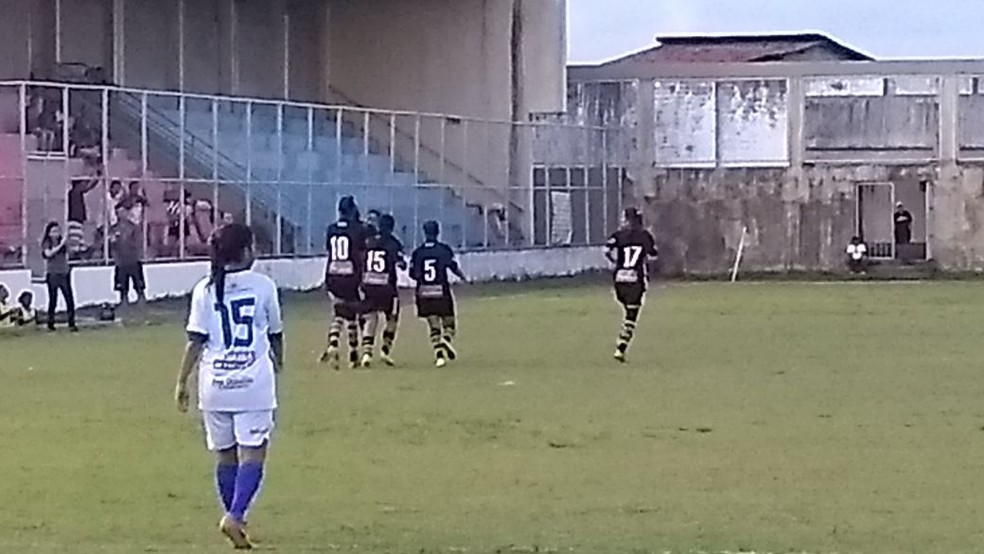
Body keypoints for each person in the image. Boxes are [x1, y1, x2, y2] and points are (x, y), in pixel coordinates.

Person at [174, 223, 284, 550]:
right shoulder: (263, 285)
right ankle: (235, 516)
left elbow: (195, 340)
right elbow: (275, 333)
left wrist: (181, 381)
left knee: (225, 456)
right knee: (253, 453)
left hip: (214, 384)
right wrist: (279, 361)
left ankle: (237, 518)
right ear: (246, 251)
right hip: (253, 382)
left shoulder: (204, 289)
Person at [320, 196, 372, 369]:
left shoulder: (331, 229)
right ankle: (353, 353)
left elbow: (330, 250)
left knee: (340, 312)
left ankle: (334, 344)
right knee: (352, 314)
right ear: (352, 210)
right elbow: (362, 253)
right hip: (351, 276)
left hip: (333, 274)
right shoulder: (358, 229)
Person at [409, 220, 466, 368]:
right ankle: (446, 339)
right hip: (441, 291)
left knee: (433, 326)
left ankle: (439, 356)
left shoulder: (417, 252)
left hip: (424, 292)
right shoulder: (444, 250)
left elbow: (412, 274)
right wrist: (463, 277)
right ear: (437, 232)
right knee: (449, 323)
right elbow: (453, 267)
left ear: (424, 233)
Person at [605, 207, 658, 363]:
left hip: (619, 279)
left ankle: (622, 343)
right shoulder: (645, 236)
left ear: (628, 220)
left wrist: (615, 262)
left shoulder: (618, 235)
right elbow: (653, 255)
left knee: (626, 308)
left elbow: (606, 250)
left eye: (623, 218)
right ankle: (620, 348)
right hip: (635, 280)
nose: (622, 221)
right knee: (631, 315)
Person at [359, 214, 406, 367]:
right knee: (392, 317)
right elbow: (401, 264)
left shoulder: (369, 241)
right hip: (387, 287)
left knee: (371, 317)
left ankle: (367, 353)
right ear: (392, 227)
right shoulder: (393, 243)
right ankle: (385, 350)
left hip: (368, 284)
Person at [41, 221, 77, 332]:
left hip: (64, 273)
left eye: (57, 231)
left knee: (69, 299)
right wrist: (61, 244)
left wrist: (67, 242)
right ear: (49, 233)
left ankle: (71, 322)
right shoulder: (47, 242)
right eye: (53, 231)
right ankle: (50, 323)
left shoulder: (62, 241)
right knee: (53, 300)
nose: (56, 233)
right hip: (53, 274)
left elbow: (70, 253)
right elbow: (48, 254)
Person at [110, 204, 146, 306]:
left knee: (138, 281)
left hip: (133, 258)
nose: (121, 214)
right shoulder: (114, 228)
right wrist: (113, 242)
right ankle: (123, 299)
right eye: (118, 212)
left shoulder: (133, 227)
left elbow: (138, 242)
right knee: (121, 282)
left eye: (123, 212)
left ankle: (141, 298)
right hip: (120, 260)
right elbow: (110, 244)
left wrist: (128, 243)